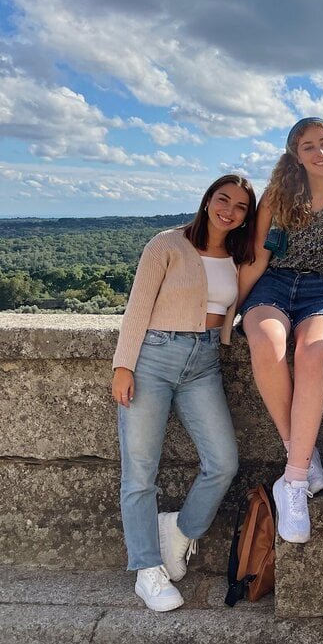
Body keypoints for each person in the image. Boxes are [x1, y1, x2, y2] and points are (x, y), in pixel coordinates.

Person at [111, 174, 257, 612]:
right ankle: (146, 570)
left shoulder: (237, 256)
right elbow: (138, 305)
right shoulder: (167, 244)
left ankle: (179, 528)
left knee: (223, 462)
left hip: (205, 364)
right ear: (208, 199)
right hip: (153, 358)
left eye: (240, 206)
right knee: (139, 472)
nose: (228, 210)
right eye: (222, 199)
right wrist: (123, 366)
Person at [238, 116, 323, 543]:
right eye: (309, 146)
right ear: (296, 154)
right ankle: (304, 456)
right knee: (268, 344)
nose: (320, 152)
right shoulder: (278, 194)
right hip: (274, 284)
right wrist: (228, 314)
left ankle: (292, 482)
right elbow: (258, 258)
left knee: (312, 353)